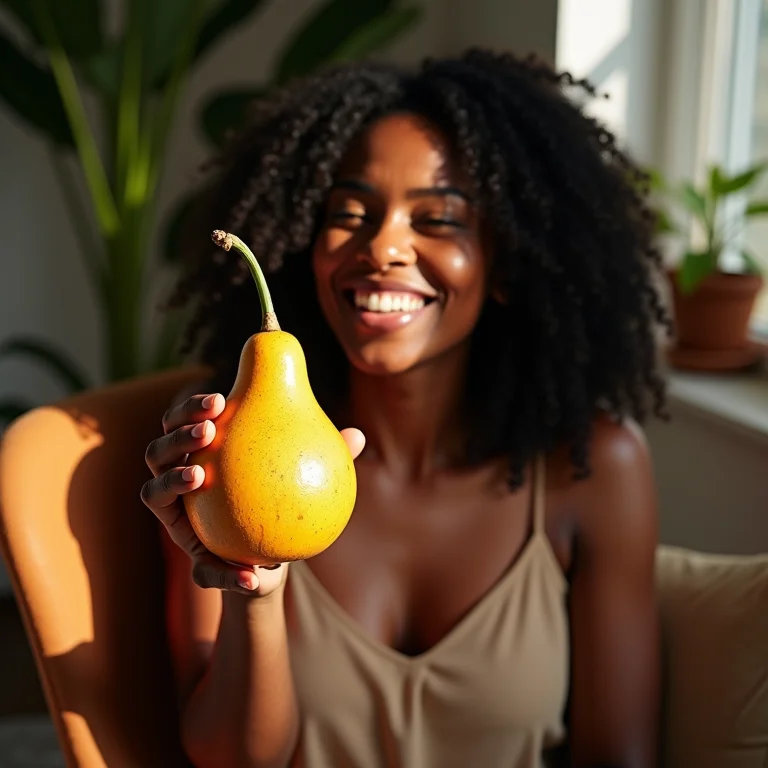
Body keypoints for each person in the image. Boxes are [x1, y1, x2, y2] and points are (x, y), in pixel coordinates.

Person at [140, 49, 667, 768]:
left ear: (505, 262)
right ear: (308, 252)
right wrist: (252, 590)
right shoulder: (225, 462)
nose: (383, 246)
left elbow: (620, 759)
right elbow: (229, 761)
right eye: (349, 213)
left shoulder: (597, 470)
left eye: (440, 218)